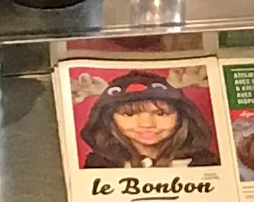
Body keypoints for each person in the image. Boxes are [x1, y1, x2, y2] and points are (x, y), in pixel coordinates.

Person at [75, 71, 216, 171]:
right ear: (108, 119)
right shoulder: (98, 165)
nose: (147, 124)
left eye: (161, 113)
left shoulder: (203, 163)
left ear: (182, 116)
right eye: (129, 114)